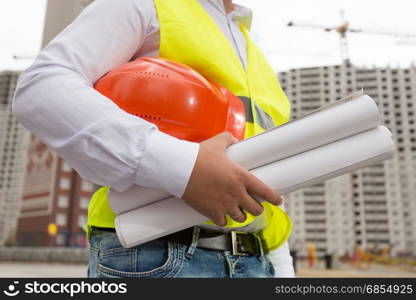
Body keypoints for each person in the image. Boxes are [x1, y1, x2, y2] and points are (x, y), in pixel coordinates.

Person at [12, 0, 294, 278]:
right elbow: (43, 85)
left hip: (257, 260)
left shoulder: (252, 52)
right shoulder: (147, 4)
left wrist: (282, 269)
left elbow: (266, 183)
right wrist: (185, 168)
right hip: (156, 254)